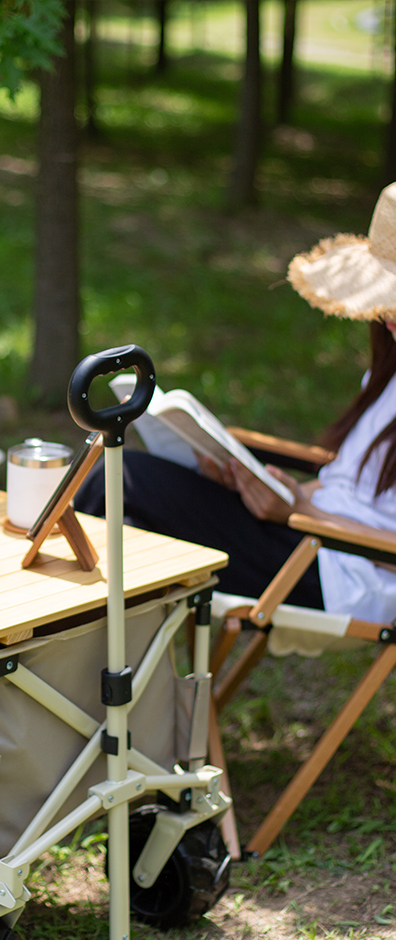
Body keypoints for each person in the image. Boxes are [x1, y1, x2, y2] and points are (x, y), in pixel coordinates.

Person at [75, 182, 396, 623]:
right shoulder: (388, 374)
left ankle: (61, 657)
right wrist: (258, 484)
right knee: (116, 485)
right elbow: (351, 484)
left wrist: (298, 511)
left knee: (122, 482)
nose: (389, 314)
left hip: (345, 573)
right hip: (311, 534)